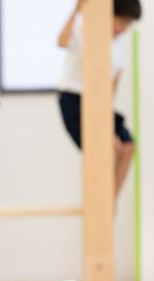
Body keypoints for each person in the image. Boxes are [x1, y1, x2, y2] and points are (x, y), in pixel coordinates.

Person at [57, 0, 142, 199]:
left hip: (99, 102)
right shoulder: (83, 27)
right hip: (73, 98)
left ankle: (109, 200)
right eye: (121, 22)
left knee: (128, 146)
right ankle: (102, 200)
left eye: (128, 24)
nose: (123, 29)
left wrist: (104, 114)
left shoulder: (118, 46)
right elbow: (61, 42)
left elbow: (113, 85)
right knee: (110, 147)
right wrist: (76, 9)